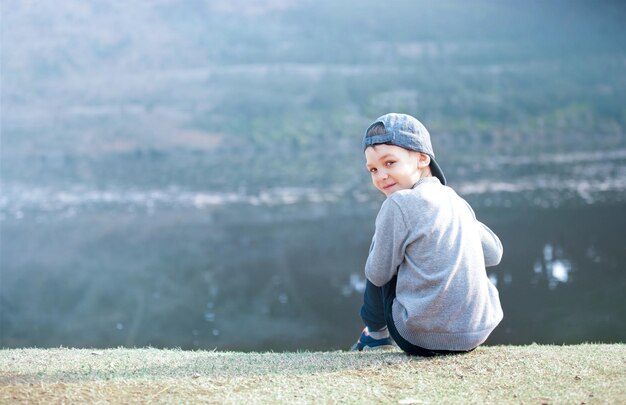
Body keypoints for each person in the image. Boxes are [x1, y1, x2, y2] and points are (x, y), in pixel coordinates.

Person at [352, 113, 503, 357]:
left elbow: (377, 274)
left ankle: (375, 335)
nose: (380, 176)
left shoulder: (398, 203)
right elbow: (494, 253)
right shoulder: (455, 200)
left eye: (389, 163)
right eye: (373, 169)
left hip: (418, 337)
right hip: (476, 333)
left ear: (422, 158)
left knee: (384, 246)